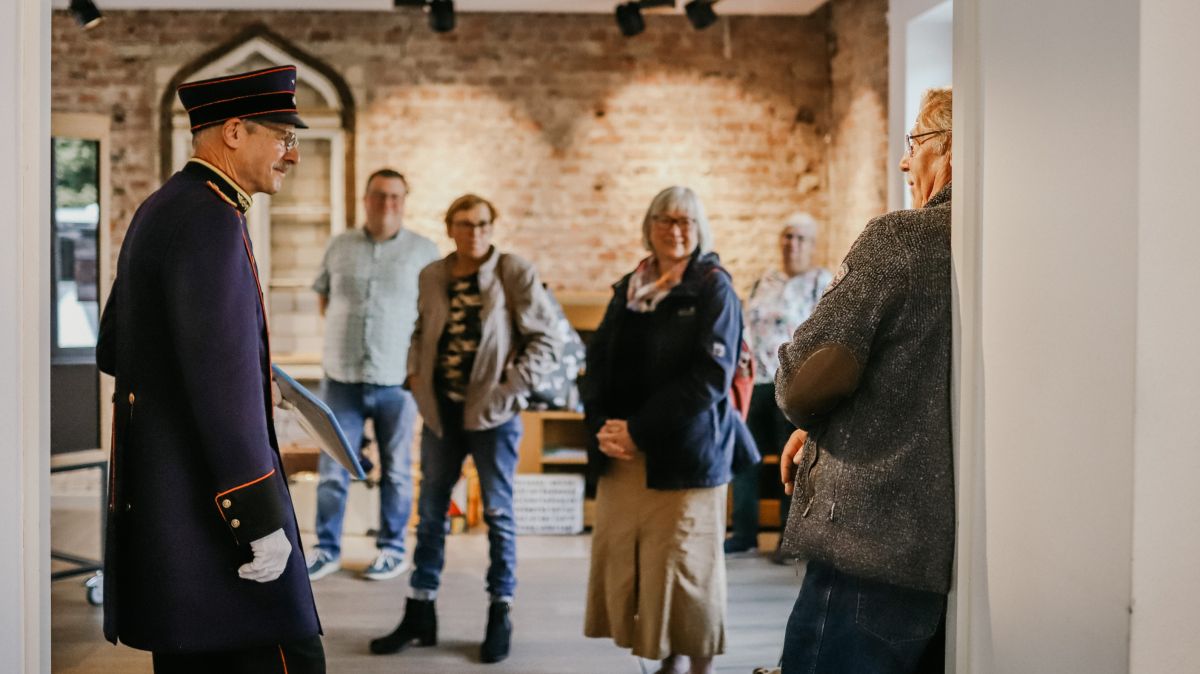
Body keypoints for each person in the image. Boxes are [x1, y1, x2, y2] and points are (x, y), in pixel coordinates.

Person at [95, 65, 324, 672]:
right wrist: (258, 517)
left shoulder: (163, 206)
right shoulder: (213, 221)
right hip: (215, 512)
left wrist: (242, 371)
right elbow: (221, 396)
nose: (292, 155)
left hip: (171, 505)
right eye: (282, 136)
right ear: (232, 131)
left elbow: (115, 350)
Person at [774, 86, 954, 673]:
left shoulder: (903, 238)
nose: (906, 161)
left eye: (916, 142)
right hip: (938, 549)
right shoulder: (1006, 246)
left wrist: (813, 420)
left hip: (865, 540)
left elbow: (804, 379)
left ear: (949, 148)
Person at [369, 194, 561, 664]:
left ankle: (500, 611)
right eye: (463, 224)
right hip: (441, 412)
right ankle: (420, 610)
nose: (473, 232)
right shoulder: (431, 274)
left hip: (493, 416)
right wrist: (415, 376)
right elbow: (421, 331)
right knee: (431, 513)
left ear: (492, 228)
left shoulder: (513, 272)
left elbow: (546, 339)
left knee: (497, 513)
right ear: (449, 227)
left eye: (481, 224)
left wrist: (510, 389)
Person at [581, 186, 748, 674]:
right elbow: (597, 364)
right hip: (625, 455)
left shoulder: (713, 286)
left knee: (688, 568)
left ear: (699, 230)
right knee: (648, 566)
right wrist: (600, 428)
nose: (676, 231)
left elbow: (710, 378)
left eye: (686, 222)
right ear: (649, 226)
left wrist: (639, 430)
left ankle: (697, 667)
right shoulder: (628, 287)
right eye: (666, 220)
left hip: (687, 453)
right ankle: (668, 659)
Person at [305, 169, 439, 582]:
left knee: (397, 470)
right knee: (332, 469)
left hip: (397, 382)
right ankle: (326, 549)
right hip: (341, 378)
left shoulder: (424, 251)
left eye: (396, 196)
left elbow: (433, 314)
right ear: (366, 199)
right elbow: (325, 297)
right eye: (380, 195)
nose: (387, 204)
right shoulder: (340, 245)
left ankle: (392, 549)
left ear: (404, 201)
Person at [725, 213, 832, 556]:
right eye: (788, 237)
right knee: (745, 458)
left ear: (812, 245)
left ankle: (790, 540)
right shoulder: (763, 282)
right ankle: (743, 532)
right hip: (756, 381)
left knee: (794, 463)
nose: (793, 244)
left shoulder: (821, 281)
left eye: (801, 238)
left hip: (796, 383)